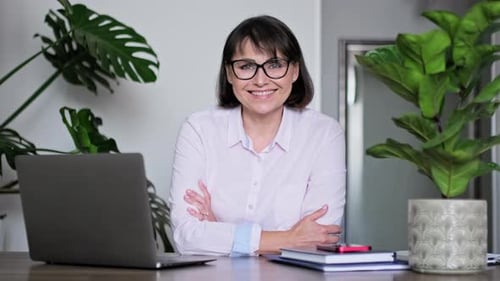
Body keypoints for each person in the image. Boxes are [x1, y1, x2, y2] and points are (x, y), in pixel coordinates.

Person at [167, 15, 346, 256]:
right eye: (246, 66)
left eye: (274, 65)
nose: (260, 80)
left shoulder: (324, 134)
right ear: (229, 74)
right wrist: (289, 238)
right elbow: (186, 237)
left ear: (294, 71)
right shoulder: (199, 129)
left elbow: (319, 238)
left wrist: (217, 231)